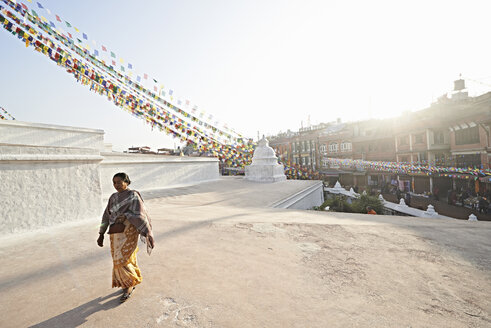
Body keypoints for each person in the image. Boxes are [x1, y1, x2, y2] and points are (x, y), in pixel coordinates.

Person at [97, 172, 155, 303]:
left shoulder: (133, 195)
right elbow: (106, 215)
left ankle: (128, 285)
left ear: (126, 182)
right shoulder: (113, 197)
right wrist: (101, 233)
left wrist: (127, 215)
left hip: (129, 231)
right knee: (118, 258)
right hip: (115, 232)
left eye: (119, 182)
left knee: (124, 257)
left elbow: (140, 214)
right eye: (114, 182)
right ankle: (130, 280)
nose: (116, 185)